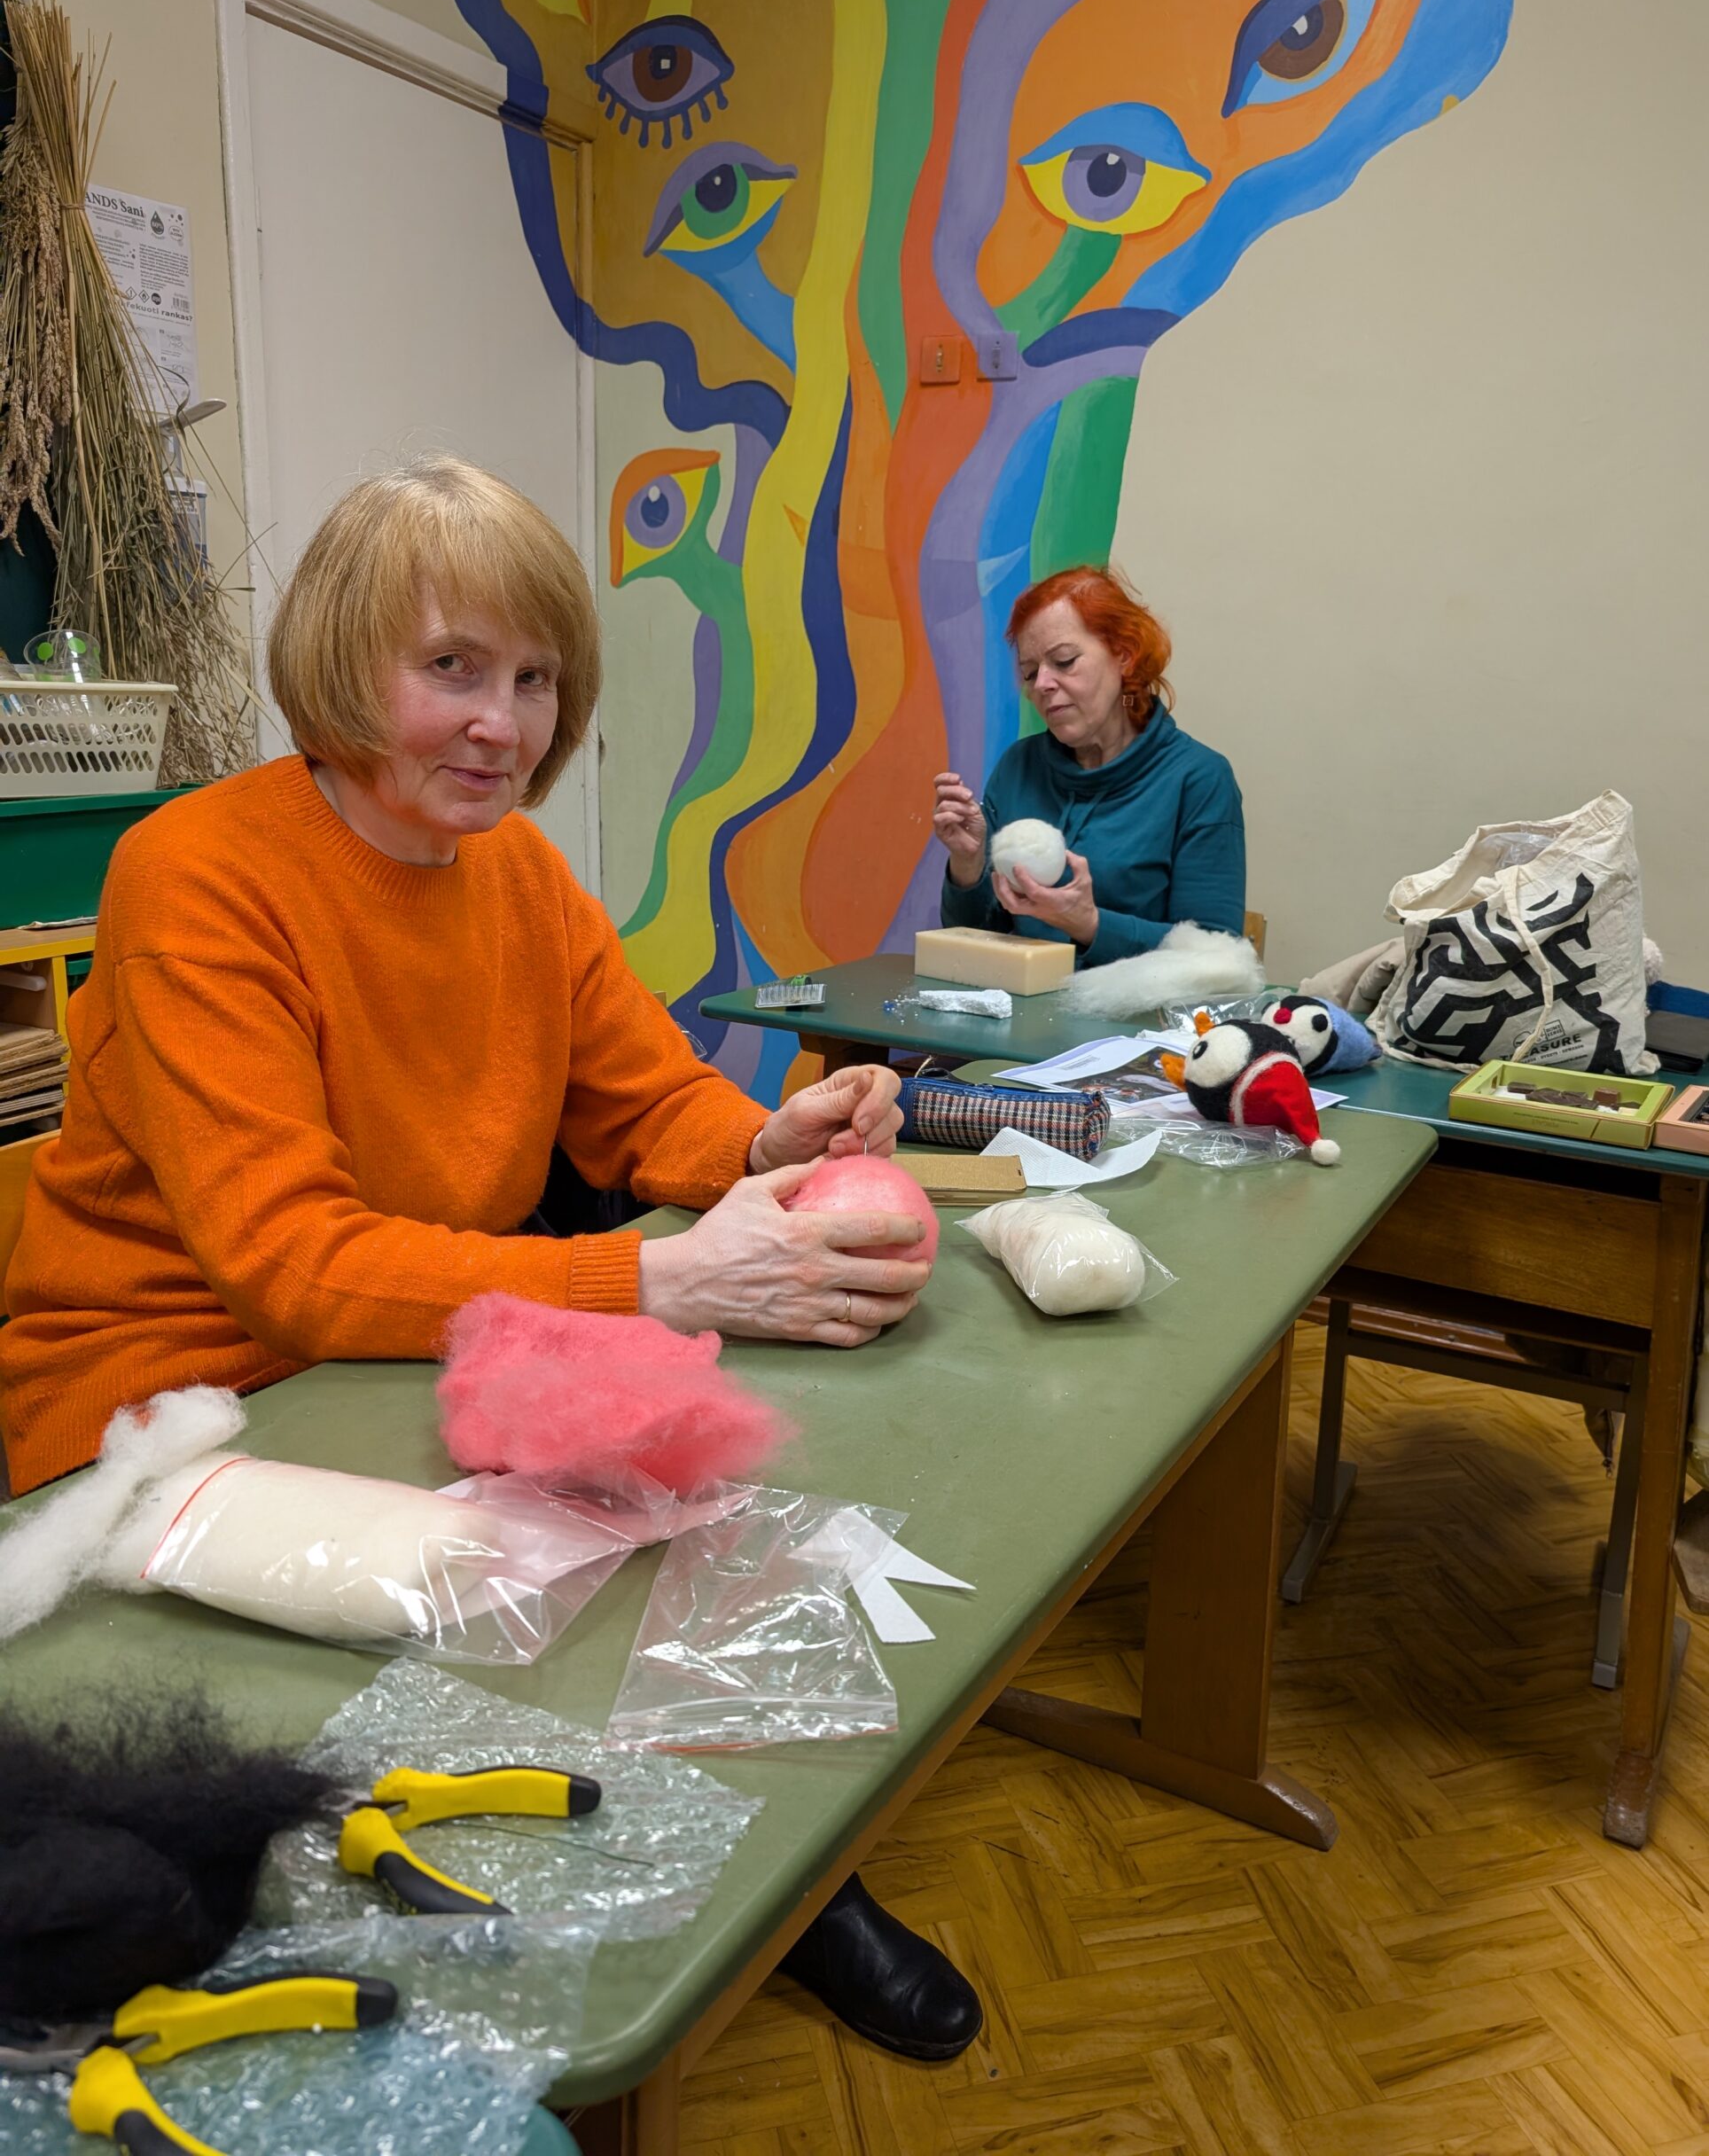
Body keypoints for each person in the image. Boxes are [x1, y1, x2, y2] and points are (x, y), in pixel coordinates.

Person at [0, 457, 979, 2063]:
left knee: (661, 1534)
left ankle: (782, 1880)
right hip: (160, 1411)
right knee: (540, 1581)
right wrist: (660, 1283)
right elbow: (289, 1263)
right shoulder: (196, 874)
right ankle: (670, 1915)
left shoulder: (516, 872)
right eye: (451, 668)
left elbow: (639, 1095)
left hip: (376, 1359)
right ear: (341, 664)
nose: (502, 725)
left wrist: (765, 1144)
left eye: (534, 680)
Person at [933, 566, 1244, 965]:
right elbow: (972, 937)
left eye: (1064, 661)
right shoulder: (1018, 766)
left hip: (1135, 1008)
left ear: (1124, 656)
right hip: (1017, 1002)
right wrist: (969, 862)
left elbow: (1216, 956)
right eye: (1030, 672)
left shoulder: (1198, 779)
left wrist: (1089, 924)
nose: (1042, 684)